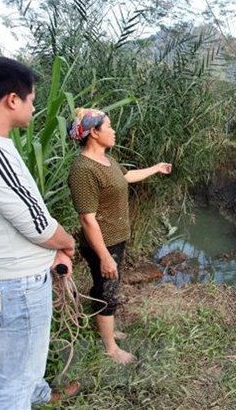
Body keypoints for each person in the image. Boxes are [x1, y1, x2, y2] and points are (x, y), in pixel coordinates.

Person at [0, 56, 79, 408]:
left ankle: (38, 392)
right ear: (11, 99)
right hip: (14, 287)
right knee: (11, 384)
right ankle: (26, 393)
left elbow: (11, 215)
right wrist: (67, 244)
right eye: (32, 100)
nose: (34, 108)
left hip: (3, 279)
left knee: (20, 360)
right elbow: (36, 222)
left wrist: (50, 252)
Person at [67, 108, 171, 364]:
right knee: (108, 292)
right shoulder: (83, 169)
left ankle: (104, 328)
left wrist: (156, 168)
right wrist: (104, 256)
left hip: (115, 238)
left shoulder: (106, 160)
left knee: (104, 286)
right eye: (109, 126)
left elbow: (126, 177)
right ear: (94, 132)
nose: (114, 131)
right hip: (103, 243)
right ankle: (110, 348)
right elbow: (87, 219)